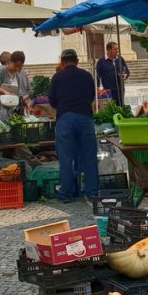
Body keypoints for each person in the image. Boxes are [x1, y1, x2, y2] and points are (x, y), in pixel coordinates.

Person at [49, 48, 99, 200]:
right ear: (77, 61)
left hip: (65, 119)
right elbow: (92, 96)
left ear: (63, 62)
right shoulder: (87, 76)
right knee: (89, 158)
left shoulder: (57, 77)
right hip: (85, 118)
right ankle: (92, 193)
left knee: (66, 158)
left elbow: (52, 101)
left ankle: (66, 192)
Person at [0, 50, 31, 123]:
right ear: (9, 62)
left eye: (20, 67)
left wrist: (25, 100)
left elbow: (18, 92)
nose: (17, 69)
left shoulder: (18, 75)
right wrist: (3, 91)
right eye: (15, 66)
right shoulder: (0, 70)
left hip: (12, 111)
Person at [96, 42, 131, 107]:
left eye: (117, 49)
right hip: (108, 91)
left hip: (120, 89)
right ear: (109, 50)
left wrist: (125, 75)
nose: (117, 51)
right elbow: (97, 76)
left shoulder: (120, 59)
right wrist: (97, 88)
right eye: (115, 49)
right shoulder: (101, 61)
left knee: (121, 106)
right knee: (111, 108)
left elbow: (126, 70)